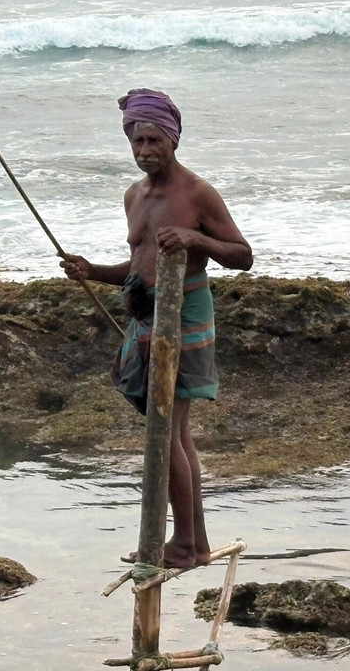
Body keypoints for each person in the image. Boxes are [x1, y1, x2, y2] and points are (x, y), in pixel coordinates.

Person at [61, 88, 252, 569]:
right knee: (175, 434)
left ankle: (184, 545)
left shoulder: (196, 193)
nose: (145, 150)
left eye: (153, 140)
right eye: (137, 140)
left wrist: (193, 237)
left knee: (165, 433)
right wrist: (93, 271)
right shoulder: (134, 195)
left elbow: (243, 256)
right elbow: (139, 264)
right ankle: (195, 544)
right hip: (145, 319)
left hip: (184, 319)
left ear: (173, 139)